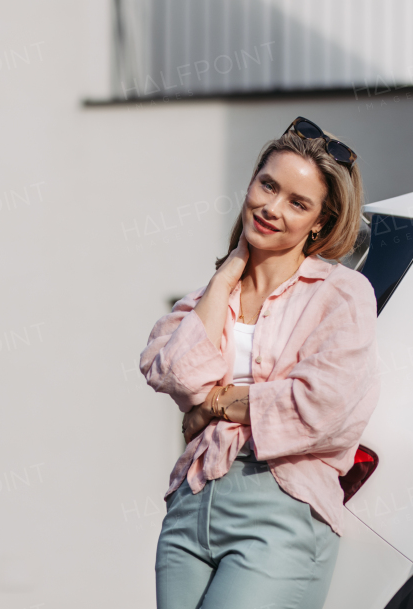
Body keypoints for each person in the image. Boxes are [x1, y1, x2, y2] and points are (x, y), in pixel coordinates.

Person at [139, 116, 381, 609]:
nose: (271, 208)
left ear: (321, 222)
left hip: (281, 506)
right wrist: (229, 273)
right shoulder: (205, 299)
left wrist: (216, 405)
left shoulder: (341, 294)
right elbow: (173, 372)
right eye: (267, 185)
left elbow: (322, 407)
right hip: (191, 501)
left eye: (298, 203)